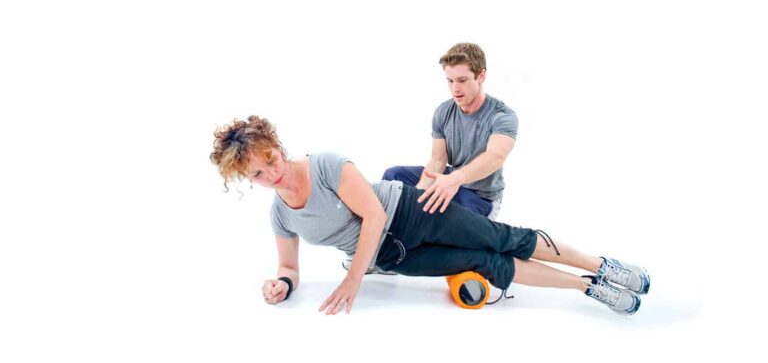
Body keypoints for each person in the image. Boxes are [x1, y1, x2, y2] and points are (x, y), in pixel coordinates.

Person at [210, 116, 651, 316]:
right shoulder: (281, 216)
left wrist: (353, 280)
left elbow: (374, 217)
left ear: (278, 147)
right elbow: (289, 266)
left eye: (271, 160)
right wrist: (283, 284)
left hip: (410, 212)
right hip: (397, 258)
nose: (272, 174)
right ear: (247, 179)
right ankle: (588, 287)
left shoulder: (325, 165)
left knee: (502, 238)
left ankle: (601, 264)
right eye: (258, 174)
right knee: (486, 263)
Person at [382, 42, 517, 221]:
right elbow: (438, 160)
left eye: (462, 80)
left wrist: (455, 179)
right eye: (450, 81)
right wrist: (416, 197)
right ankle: (389, 227)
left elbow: (495, 156)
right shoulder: (443, 111)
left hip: (480, 197)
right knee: (394, 177)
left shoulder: (502, 115)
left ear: (481, 76)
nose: (455, 89)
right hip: (451, 178)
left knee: (437, 213)